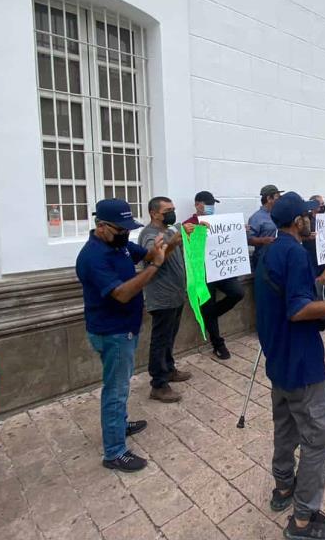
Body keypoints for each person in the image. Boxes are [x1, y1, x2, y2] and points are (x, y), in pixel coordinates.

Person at [255, 192, 325, 540]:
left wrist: (319, 280)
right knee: (320, 435)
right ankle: (303, 520)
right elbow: (298, 309)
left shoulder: (273, 250)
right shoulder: (294, 251)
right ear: (298, 221)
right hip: (301, 363)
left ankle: (284, 488)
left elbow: (286, 291)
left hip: (278, 360)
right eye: (309, 215)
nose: (313, 220)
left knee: (286, 426)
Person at [76, 198, 169, 472]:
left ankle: (119, 425)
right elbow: (123, 293)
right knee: (115, 391)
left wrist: (168, 246)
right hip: (112, 332)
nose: (126, 234)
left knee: (121, 385)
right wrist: (155, 267)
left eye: (129, 228)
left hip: (125, 328)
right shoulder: (93, 257)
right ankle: (114, 452)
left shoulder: (119, 244)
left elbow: (149, 255)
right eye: (121, 229)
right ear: (101, 226)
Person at [139, 197, 193, 403]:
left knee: (170, 337)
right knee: (160, 341)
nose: (172, 213)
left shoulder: (170, 230)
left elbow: (183, 228)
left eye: (173, 209)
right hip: (161, 297)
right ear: (154, 213)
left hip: (176, 294)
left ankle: (169, 369)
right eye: (167, 210)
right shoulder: (149, 234)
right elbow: (153, 257)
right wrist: (171, 244)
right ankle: (158, 384)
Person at [183, 191, 246, 360]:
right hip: (202, 273)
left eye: (212, 204)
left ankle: (211, 314)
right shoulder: (188, 224)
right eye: (207, 204)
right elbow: (187, 249)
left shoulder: (219, 222)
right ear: (197, 205)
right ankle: (218, 344)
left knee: (238, 292)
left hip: (220, 269)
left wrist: (239, 231)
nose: (211, 208)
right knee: (207, 303)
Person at [248, 184, 283, 267]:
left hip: (279, 257)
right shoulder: (256, 218)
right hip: (264, 260)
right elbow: (248, 240)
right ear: (269, 199)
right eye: (277, 197)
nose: (279, 200)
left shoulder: (279, 214)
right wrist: (263, 240)